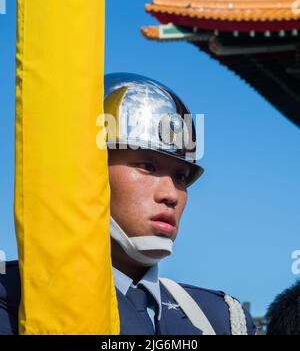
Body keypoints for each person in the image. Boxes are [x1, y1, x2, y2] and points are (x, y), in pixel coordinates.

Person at [0, 73, 256, 335]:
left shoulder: (220, 319)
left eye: (181, 177)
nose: (172, 194)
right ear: (86, 173)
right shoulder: (11, 299)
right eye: (147, 166)